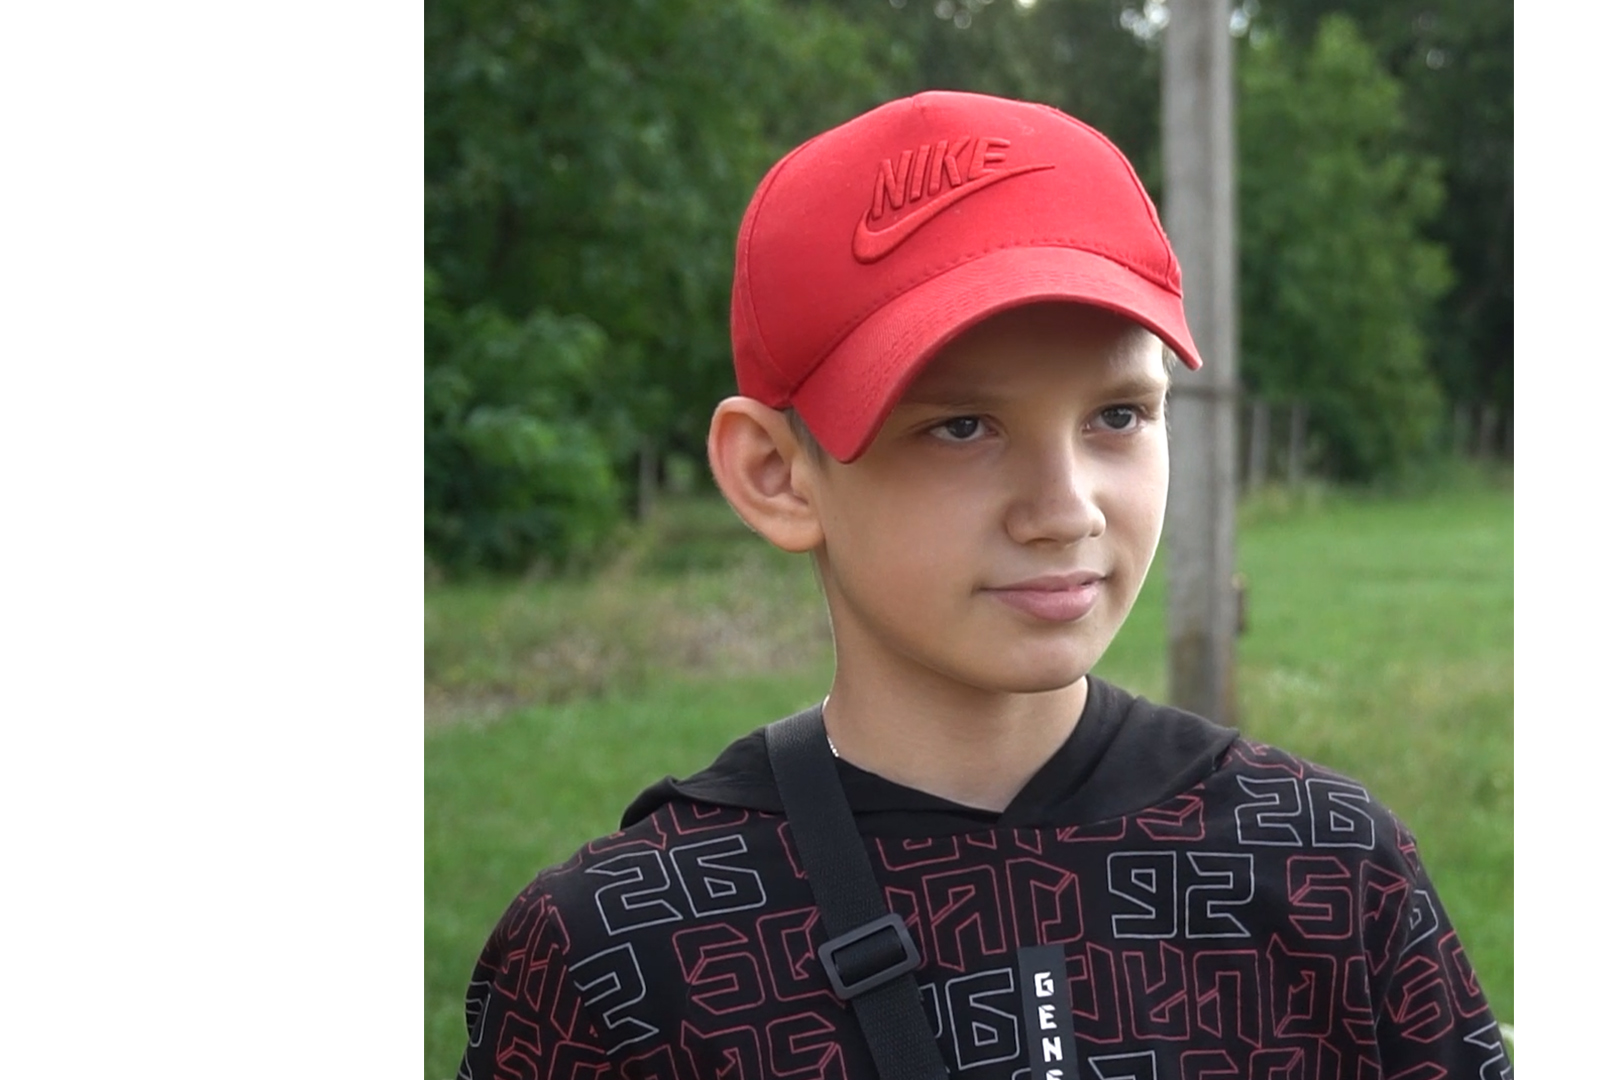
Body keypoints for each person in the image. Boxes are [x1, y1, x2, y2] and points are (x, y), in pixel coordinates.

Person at [457, 90, 1507, 1080]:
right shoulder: (622, 952)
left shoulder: (1328, 869)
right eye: (961, 427)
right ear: (776, 474)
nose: (1064, 507)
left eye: (1118, 417)